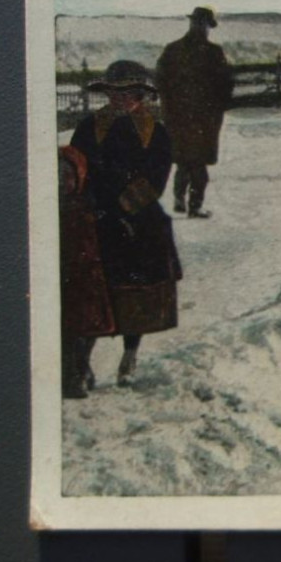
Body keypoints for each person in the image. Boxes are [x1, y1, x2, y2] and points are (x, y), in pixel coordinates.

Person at [69, 60, 182, 385]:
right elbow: (77, 168)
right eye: (115, 93)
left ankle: (129, 355)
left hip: (138, 219)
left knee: (137, 295)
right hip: (95, 215)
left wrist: (125, 210)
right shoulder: (89, 127)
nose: (122, 99)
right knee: (90, 292)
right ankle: (82, 363)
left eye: (130, 93)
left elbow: (156, 178)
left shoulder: (155, 132)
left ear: (141, 96)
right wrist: (91, 205)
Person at [155, 6, 234, 219]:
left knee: (184, 160)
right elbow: (226, 84)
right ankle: (194, 205)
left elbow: (160, 81)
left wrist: (167, 107)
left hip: (179, 117)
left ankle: (180, 199)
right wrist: (218, 107)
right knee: (197, 162)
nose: (202, 28)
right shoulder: (213, 52)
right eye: (203, 24)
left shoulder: (173, 49)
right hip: (202, 119)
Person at [58, 145, 113, 399]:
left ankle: (81, 369)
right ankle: (72, 377)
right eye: (56, 177)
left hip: (87, 279)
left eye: (66, 176)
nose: (60, 183)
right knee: (67, 334)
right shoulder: (46, 208)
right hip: (62, 280)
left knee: (87, 331)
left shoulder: (88, 205)